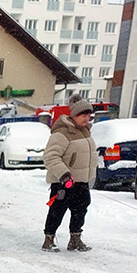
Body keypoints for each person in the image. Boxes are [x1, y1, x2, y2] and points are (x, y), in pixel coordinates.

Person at [41, 98, 97, 252]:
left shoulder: (85, 131)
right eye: (83, 115)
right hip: (64, 181)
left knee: (81, 208)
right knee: (58, 210)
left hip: (81, 180)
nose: (87, 118)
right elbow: (50, 156)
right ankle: (49, 239)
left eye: (89, 115)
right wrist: (64, 175)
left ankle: (75, 239)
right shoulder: (62, 133)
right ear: (74, 115)